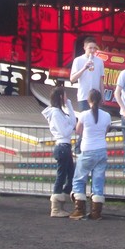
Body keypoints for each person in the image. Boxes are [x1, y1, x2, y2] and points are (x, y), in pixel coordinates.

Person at [70, 89, 112, 220]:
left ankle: (79, 210)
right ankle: (96, 212)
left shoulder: (84, 115)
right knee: (98, 181)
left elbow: (78, 131)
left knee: (79, 179)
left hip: (87, 149)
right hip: (101, 149)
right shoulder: (107, 116)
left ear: (88, 101)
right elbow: (105, 132)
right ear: (100, 101)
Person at [42, 85, 77, 218]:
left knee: (69, 175)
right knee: (62, 175)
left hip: (64, 146)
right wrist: (71, 125)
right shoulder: (56, 113)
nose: (67, 97)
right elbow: (66, 130)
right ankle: (56, 207)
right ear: (61, 96)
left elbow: (72, 123)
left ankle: (59, 203)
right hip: (62, 146)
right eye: (65, 95)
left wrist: (69, 107)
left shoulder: (59, 112)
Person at [69, 37, 105, 112]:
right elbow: (72, 79)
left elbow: (101, 80)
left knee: (95, 120)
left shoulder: (99, 61)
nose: (92, 50)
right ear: (85, 48)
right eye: (90, 48)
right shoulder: (78, 60)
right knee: (85, 119)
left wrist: (102, 95)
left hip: (96, 96)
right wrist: (84, 68)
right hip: (84, 96)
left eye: (94, 48)